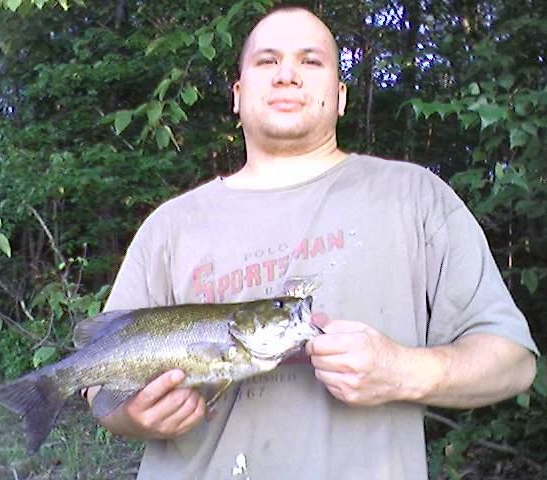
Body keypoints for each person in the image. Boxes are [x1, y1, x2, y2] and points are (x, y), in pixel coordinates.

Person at [85, 6, 538, 479]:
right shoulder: (169, 225)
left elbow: (512, 363)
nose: (286, 75)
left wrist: (403, 370)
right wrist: (132, 417)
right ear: (237, 96)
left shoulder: (415, 197)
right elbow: (100, 387)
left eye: (310, 61)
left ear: (341, 97)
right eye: (266, 61)